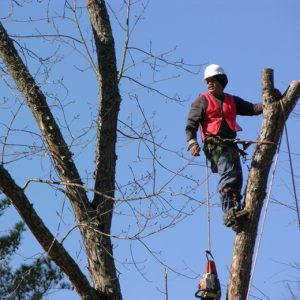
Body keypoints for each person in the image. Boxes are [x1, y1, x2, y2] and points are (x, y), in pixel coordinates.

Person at [185, 64, 263, 230]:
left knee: (237, 177)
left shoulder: (231, 100)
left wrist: (271, 101)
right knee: (228, 173)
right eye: (207, 82)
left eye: (213, 80)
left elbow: (253, 108)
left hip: (230, 145)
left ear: (221, 80)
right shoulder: (202, 101)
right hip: (215, 144)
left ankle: (235, 212)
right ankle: (228, 212)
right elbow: (191, 125)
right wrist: (192, 143)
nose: (209, 84)